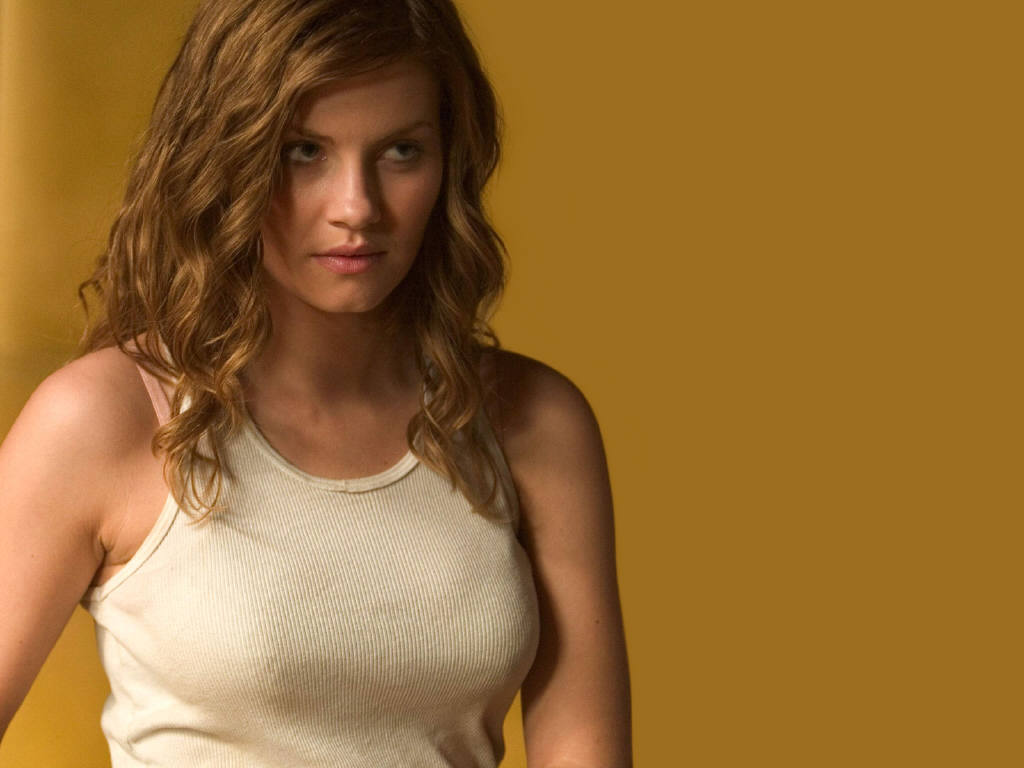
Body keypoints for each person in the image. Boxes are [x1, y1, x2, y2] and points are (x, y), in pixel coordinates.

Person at [0, 0, 631, 765]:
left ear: (449, 164)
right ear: (225, 156)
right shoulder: (103, 418)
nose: (357, 208)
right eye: (303, 152)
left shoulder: (533, 421)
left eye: (401, 152)